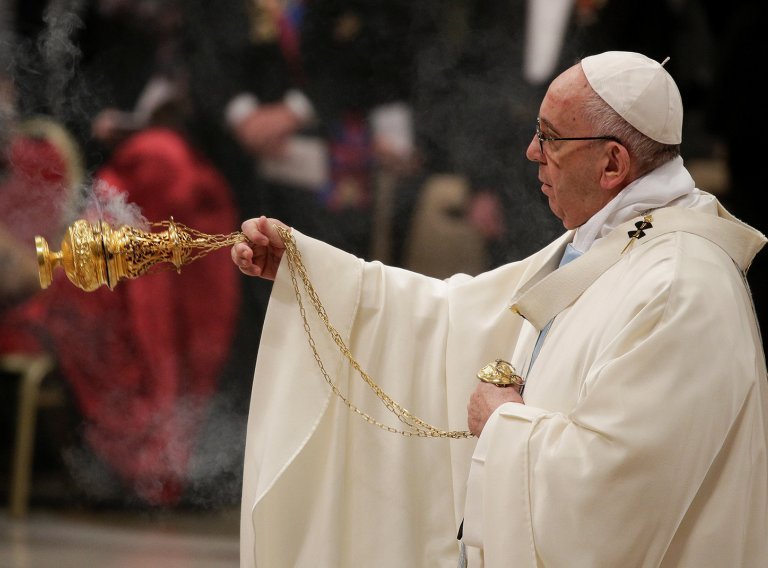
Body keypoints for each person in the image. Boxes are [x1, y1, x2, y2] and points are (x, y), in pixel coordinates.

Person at [231, 51, 768, 567]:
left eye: (550, 138)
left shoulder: (680, 287)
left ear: (612, 163)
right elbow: (450, 319)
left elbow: (620, 495)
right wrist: (308, 270)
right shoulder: (617, 238)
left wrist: (505, 426)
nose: (532, 152)